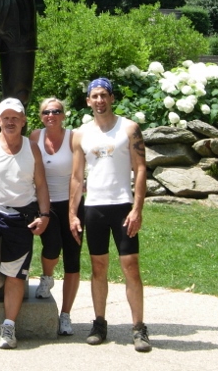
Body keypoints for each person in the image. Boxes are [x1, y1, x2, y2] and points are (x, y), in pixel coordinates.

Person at [69, 78, 152, 353]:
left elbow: (141, 169)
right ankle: (99, 323)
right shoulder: (81, 134)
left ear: (112, 98)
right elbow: (77, 176)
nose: (100, 100)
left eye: (104, 95)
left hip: (122, 206)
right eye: (95, 96)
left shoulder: (129, 129)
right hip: (94, 208)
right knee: (98, 267)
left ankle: (139, 327)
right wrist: (73, 212)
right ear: (88, 101)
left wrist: (138, 208)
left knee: (130, 266)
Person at [0, 97, 51, 349]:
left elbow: (41, 184)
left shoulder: (31, 147)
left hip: (22, 217)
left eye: (15, 117)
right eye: (6, 117)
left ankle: (8, 327)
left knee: (15, 277)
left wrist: (44, 215)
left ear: (24, 121)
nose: (10, 122)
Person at [28, 97, 82, 336]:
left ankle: (66, 315)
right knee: (51, 248)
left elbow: (77, 176)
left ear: (63, 115)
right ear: (41, 116)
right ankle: (47, 276)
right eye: (47, 112)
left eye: (56, 111)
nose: (52, 115)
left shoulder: (74, 137)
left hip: (71, 203)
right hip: (43, 204)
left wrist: (73, 213)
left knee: (72, 258)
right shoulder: (34, 137)